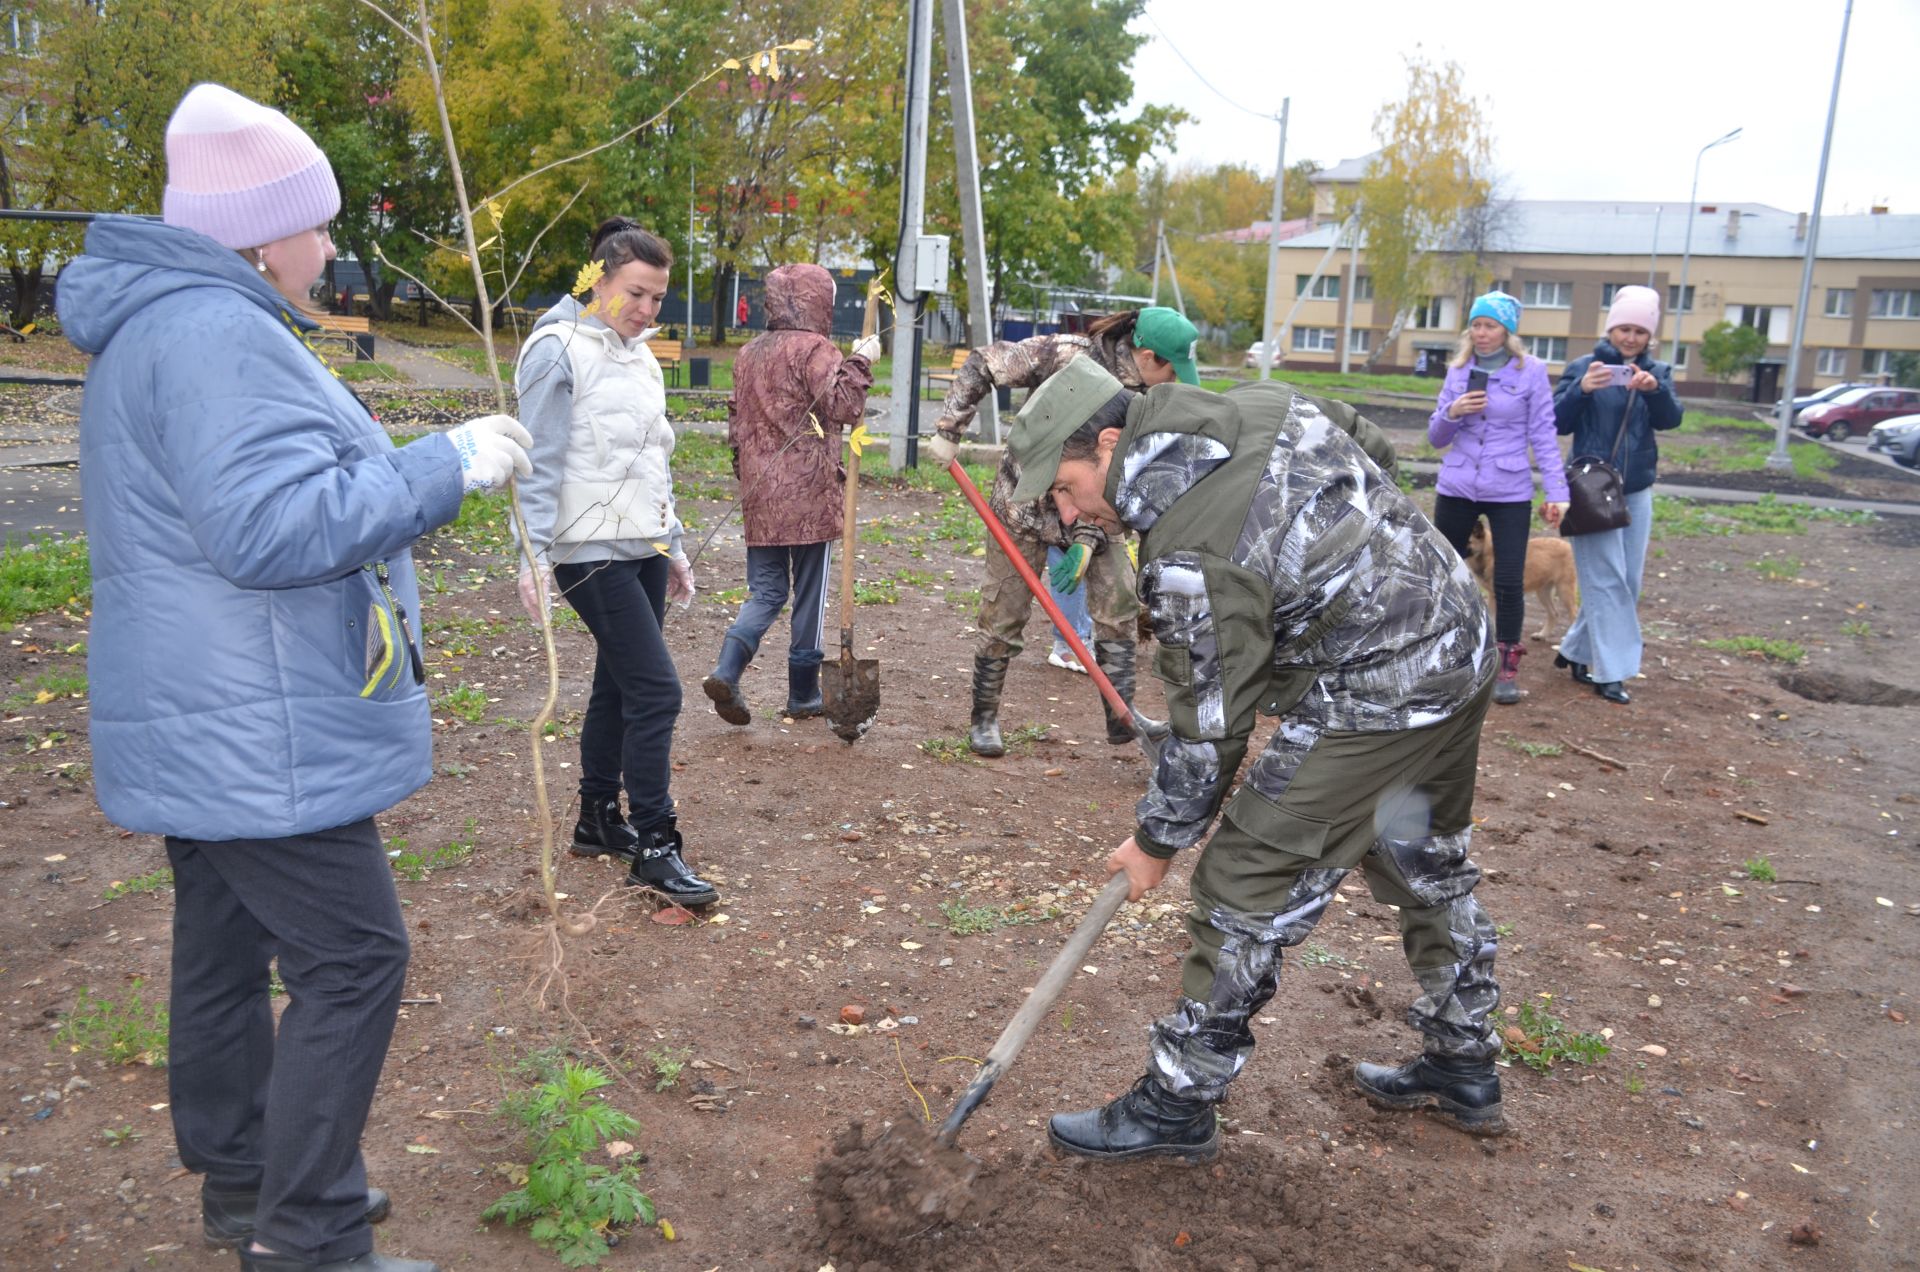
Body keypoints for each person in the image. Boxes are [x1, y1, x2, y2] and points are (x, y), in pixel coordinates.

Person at [58, 83, 533, 1272]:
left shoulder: (158, 328)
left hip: (196, 714)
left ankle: (244, 1184)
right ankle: (308, 1237)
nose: (330, 246)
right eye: (318, 225)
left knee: (221, 948)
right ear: (264, 236)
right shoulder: (217, 334)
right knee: (357, 958)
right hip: (253, 728)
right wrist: (448, 463)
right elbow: (271, 532)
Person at [1002, 358, 1504, 1162]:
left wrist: (1156, 843)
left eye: (1064, 488)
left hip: (1380, 689)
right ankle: (1464, 1057)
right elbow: (1371, 442)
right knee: (1418, 853)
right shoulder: (1257, 402)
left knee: (1244, 879)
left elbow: (1208, 728)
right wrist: (1352, 564)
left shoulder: (1190, 552)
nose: (1067, 512)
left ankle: (1177, 1103)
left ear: (1108, 443)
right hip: (1456, 632)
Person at [514, 216, 717, 906]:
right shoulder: (556, 350)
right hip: (587, 550)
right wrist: (534, 557)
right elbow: (535, 463)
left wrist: (676, 543)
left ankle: (598, 817)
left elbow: (650, 458)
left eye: (658, 299)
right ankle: (657, 847)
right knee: (657, 690)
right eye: (636, 294)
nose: (646, 310)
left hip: (644, 547)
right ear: (597, 279)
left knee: (620, 684)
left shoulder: (637, 355)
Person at [925, 307, 1200, 755]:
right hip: (1022, 507)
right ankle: (984, 718)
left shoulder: (1147, 401)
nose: (1175, 382)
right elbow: (983, 362)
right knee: (1004, 613)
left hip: (1093, 512)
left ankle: (1123, 716)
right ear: (1148, 355)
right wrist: (949, 427)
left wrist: (1090, 540)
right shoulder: (1068, 356)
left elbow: (1123, 481)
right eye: (1172, 370)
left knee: (1118, 605)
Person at [702, 264, 880, 722]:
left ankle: (727, 668)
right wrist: (860, 362)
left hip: (759, 492)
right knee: (810, 593)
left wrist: (745, 476)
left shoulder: (748, 353)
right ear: (816, 300)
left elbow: (736, 422)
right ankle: (803, 694)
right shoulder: (814, 349)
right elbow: (845, 406)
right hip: (808, 498)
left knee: (765, 591)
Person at [1427, 290, 1570, 705]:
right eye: (1476, 324)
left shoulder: (1531, 372)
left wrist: (1557, 493)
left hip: (1509, 488)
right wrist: (1453, 412)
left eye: (1490, 325)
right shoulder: (1458, 371)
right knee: (1443, 574)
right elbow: (1436, 438)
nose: (1482, 332)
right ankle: (1442, 654)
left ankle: (1506, 664)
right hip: (1457, 484)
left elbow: (1544, 434)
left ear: (1507, 332)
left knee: (1507, 580)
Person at [1551, 285, 1683, 705]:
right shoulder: (1583, 366)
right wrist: (1583, 389)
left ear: (1650, 337)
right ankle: (1613, 670)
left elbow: (1672, 420)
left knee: (1627, 579)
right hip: (1592, 486)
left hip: (1638, 485)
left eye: (1639, 332)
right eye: (1623, 328)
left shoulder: (1658, 373)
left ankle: (1575, 651)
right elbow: (1557, 420)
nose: (1630, 338)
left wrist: (1653, 391)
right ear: (1611, 329)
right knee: (1605, 579)